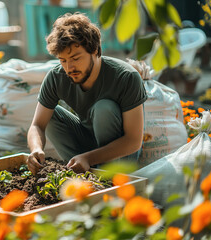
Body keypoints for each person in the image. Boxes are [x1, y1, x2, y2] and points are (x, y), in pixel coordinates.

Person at [27, 13, 147, 174]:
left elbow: (133, 141)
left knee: (104, 108)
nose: (69, 68)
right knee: (50, 115)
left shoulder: (126, 77)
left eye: (76, 58)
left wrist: (88, 158)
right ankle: (78, 169)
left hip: (121, 156)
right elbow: (37, 125)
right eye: (63, 60)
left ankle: (106, 177)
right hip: (86, 148)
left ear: (95, 50)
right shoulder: (57, 77)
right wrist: (36, 149)